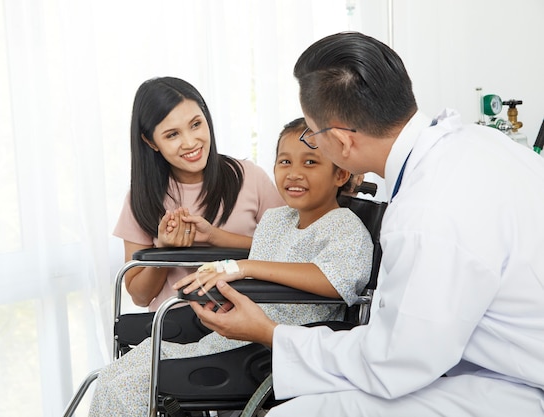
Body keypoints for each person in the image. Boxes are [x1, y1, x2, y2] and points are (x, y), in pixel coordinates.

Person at [192, 32, 544, 416]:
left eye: (312, 134)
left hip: (520, 385)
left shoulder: (425, 215)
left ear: (342, 144)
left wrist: (267, 333)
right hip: (490, 361)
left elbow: (394, 362)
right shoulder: (480, 143)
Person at [88, 117, 374, 417]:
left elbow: (335, 279)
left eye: (311, 162)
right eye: (285, 161)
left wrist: (245, 267)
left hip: (270, 348)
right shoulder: (278, 220)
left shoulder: (345, 226)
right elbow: (267, 259)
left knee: (131, 385)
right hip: (235, 335)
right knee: (116, 373)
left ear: (340, 173)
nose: (294, 174)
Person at [114, 76, 284, 310]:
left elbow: (289, 253)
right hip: (175, 330)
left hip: (248, 325)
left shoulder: (250, 177)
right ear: (151, 142)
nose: (191, 142)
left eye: (196, 124)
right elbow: (140, 298)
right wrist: (164, 251)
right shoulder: (141, 198)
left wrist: (215, 238)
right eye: (172, 134)